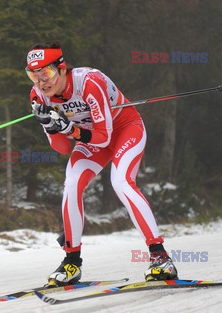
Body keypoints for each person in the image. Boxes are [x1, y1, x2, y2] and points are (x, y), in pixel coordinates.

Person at [25, 41, 178, 286]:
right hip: (89, 138)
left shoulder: (88, 83)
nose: (42, 82)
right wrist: (50, 126)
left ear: (62, 69)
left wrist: (70, 129)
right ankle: (71, 261)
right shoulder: (38, 96)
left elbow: (105, 135)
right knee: (72, 183)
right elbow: (64, 148)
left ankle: (160, 257)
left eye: (47, 73)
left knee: (121, 182)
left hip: (124, 129)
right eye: (34, 75)